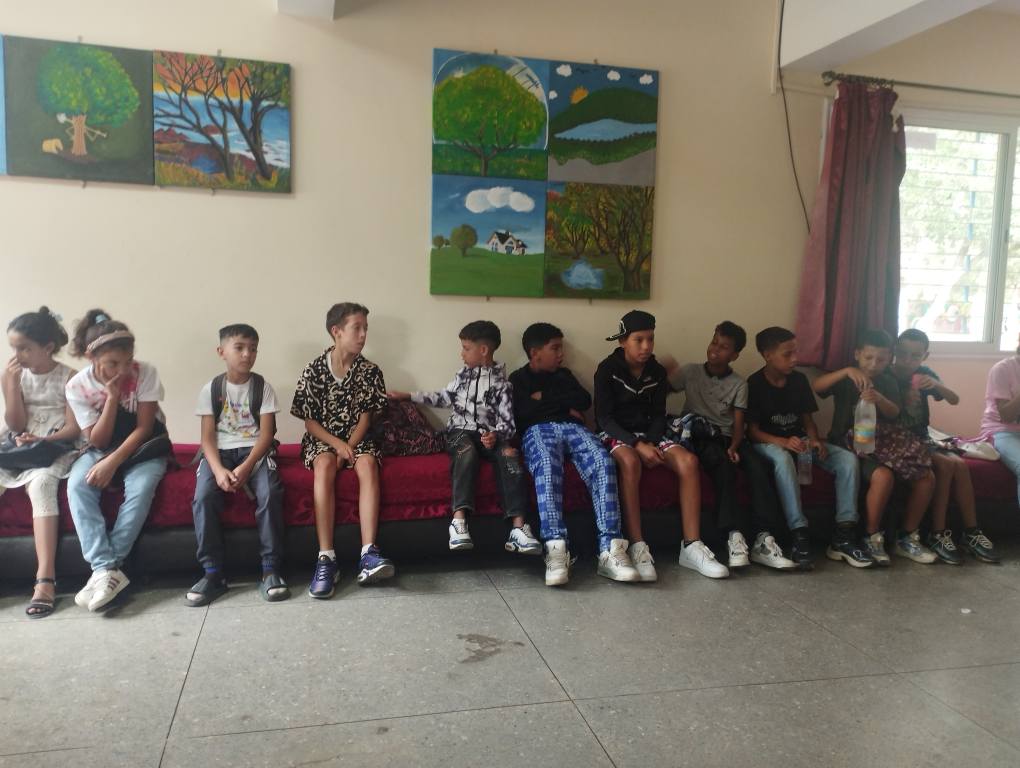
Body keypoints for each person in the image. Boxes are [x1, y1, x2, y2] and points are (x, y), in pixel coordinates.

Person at [594, 310, 729, 581]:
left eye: (650, 339)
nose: (646, 346)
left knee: (688, 461)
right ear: (623, 341)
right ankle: (638, 545)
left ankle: (691, 545)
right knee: (630, 461)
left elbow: (658, 414)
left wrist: (651, 441)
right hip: (617, 432)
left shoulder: (655, 371)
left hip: (650, 433)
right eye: (639, 340)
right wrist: (637, 444)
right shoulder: (607, 370)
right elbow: (604, 419)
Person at [388, 320, 540, 556]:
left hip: (489, 435)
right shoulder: (462, 377)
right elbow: (443, 398)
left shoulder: (503, 385)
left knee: (509, 456)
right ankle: (458, 521)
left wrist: (495, 435)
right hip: (460, 431)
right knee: (465, 452)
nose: (462, 354)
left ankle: (519, 529)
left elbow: (508, 423)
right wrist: (408, 395)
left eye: (466, 348)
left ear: (483, 350)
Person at [509, 322, 639, 586]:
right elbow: (522, 413)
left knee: (603, 462)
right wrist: (561, 404)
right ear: (535, 352)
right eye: (555, 348)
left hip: (574, 428)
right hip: (538, 430)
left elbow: (583, 401)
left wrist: (544, 398)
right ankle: (556, 548)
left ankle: (611, 549)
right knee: (546, 464)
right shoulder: (518, 379)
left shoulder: (564, 375)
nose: (561, 354)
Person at [663, 322, 795, 570]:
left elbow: (738, 422)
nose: (715, 349)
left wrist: (734, 446)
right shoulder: (691, 372)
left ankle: (763, 538)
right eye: (714, 343)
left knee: (757, 466)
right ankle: (733, 534)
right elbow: (661, 390)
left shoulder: (739, 384)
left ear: (734, 355)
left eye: (724, 347)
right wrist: (665, 373)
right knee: (723, 466)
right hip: (701, 436)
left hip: (730, 437)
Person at [65, 310, 170, 611]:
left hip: (144, 446)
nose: (122, 371)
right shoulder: (77, 386)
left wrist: (112, 463)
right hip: (101, 447)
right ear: (91, 357)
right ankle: (106, 570)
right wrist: (111, 398)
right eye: (113, 363)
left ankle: (105, 571)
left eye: (128, 361)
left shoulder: (145, 372)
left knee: (141, 487)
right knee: (78, 486)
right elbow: (97, 441)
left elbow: (144, 428)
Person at [747, 327, 873, 570]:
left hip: (801, 442)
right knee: (783, 459)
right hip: (769, 443)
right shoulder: (755, 384)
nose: (795, 359)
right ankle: (799, 533)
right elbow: (752, 432)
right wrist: (783, 442)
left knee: (847, 460)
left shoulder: (798, 380)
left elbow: (808, 421)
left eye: (796, 352)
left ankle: (844, 533)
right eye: (787, 354)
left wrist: (815, 440)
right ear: (767, 355)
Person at [292, 303, 393, 599]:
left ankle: (369, 553)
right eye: (356, 328)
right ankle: (326, 558)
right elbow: (310, 422)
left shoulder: (370, 371)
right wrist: (337, 447)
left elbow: (366, 418)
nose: (363, 335)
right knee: (324, 465)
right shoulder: (313, 369)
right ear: (336, 331)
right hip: (324, 438)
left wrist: (349, 447)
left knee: (368, 464)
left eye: (365, 329)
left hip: (358, 438)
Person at [186, 324, 290, 607]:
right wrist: (219, 470)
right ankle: (212, 573)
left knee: (270, 493)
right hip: (220, 453)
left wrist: (246, 467)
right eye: (240, 348)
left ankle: (270, 569)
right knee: (203, 497)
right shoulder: (211, 389)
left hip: (254, 451)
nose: (247, 354)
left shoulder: (262, 388)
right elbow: (207, 438)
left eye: (253, 349)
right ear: (222, 352)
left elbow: (267, 435)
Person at [813, 329, 936, 565]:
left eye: (881, 359)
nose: (873, 364)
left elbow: (894, 413)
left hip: (884, 442)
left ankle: (906, 537)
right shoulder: (848, 377)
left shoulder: (888, 380)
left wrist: (879, 399)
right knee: (883, 476)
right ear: (857, 354)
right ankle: (871, 536)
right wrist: (847, 371)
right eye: (868, 357)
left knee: (926, 477)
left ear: (889, 358)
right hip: (849, 444)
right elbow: (818, 387)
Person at [0, 307, 80, 618]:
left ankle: (45, 579)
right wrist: (10, 386)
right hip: (20, 443)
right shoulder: (14, 375)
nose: (17, 355)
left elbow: (74, 428)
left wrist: (43, 440)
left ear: (47, 347)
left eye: (24, 348)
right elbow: (16, 424)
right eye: (13, 348)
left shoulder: (69, 377)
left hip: (55, 445)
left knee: (43, 484)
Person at [893, 329, 997, 564]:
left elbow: (954, 399)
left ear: (925, 356)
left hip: (923, 437)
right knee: (946, 464)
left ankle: (971, 531)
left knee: (960, 465)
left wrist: (937, 385)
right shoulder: (888, 375)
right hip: (901, 440)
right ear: (895, 351)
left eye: (915, 356)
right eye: (902, 354)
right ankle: (938, 533)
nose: (907, 361)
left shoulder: (924, 374)